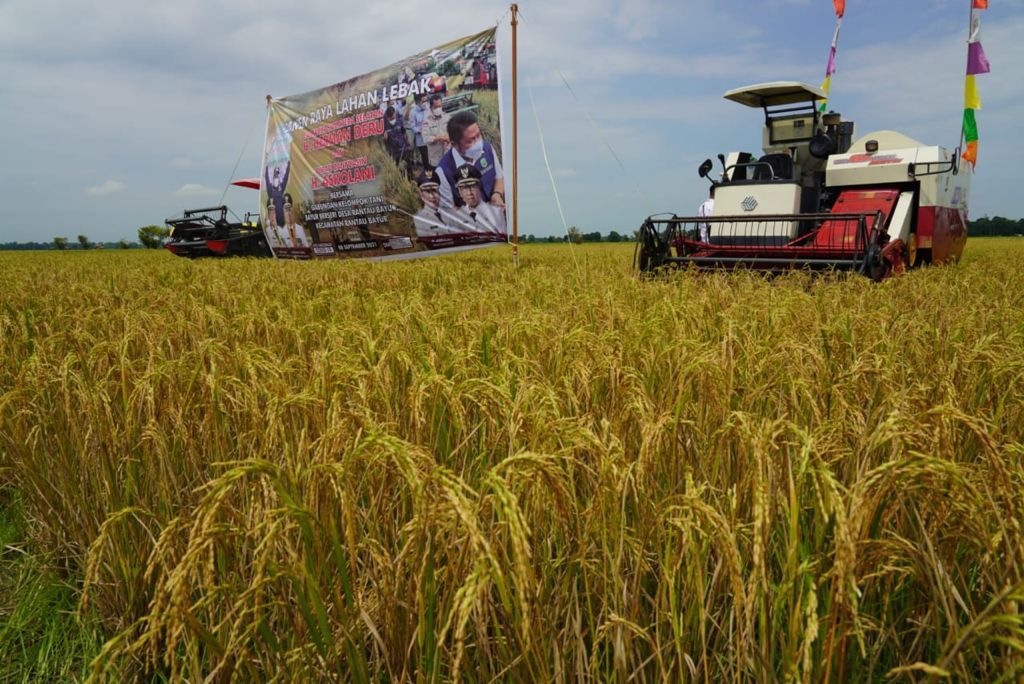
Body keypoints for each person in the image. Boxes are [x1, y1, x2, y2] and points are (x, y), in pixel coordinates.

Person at [436, 111, 505, 210]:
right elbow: (448, 209)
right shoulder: (443, 172)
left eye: (478, 135)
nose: (478, 143)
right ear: (454, 144)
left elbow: (499, 177)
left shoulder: (487, 148)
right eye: (470, 141)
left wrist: (497, 194)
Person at [453, 164, 506, 234]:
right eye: (465, 188)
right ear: (459, 192)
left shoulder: (496, 212)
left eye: (473, 187)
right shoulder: (458, 216)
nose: (469, 192)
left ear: (479, 188)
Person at [412, 168, 462, 236]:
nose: (432, 196)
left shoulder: (451, 213)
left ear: (439, 193)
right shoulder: (420, 219)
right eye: (428, 192)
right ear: (422, 195)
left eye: (434, 191)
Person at [421, 94, 451, 167]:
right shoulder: (426, 121)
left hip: (448, 155)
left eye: (440, 106)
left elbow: (454, 133)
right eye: (436, 107)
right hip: (436, 159)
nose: (438, 109)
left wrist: (449, 139)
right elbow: (425, 138)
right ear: (431, 107)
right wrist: (439, 138)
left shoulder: (447, 117)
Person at [409, 93, 430, 168]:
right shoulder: (413, 112)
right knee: (426, 160)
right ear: (417, 102)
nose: (425, 103)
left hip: (431, 138)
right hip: (421, 141)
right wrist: (419, 130)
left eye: (426, 100)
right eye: (423, 101)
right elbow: (412, 126)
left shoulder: (428, 107)